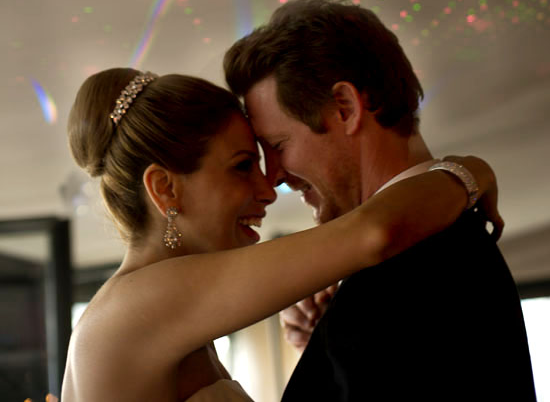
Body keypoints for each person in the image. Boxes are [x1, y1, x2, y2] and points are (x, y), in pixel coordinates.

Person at [61, 68, 500, 402]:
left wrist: (322, 348)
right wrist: (470, 171)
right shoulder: (145, 301)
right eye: (242, 166)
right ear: (165, 188)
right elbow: (373, 233)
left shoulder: (149, 309)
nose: (268, 189)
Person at [224, 0, 538, 402]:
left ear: (345, 108)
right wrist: (325, 350)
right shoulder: (433, 242)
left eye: (279, 145)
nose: (273, 177)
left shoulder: (415, 264)